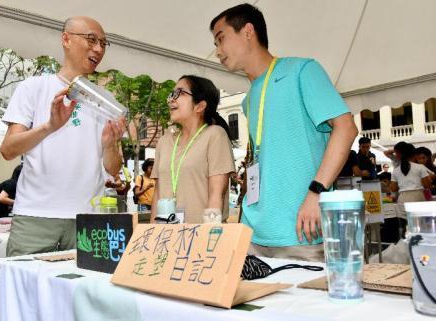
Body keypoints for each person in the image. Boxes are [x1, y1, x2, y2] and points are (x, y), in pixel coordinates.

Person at [210, 4, 358, 261]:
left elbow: (346, 127)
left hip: (300, 232)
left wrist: (316, 192)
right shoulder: (248, 99)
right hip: (253, 232)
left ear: (247, 31)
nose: (217, 51)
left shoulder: (302, 70)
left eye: (221, 39)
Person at [0, 16, 125, 256]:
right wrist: (49, 126)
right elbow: (8, 149)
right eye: (91, 40)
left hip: (89, 218)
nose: (98, 49)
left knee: (83, 291)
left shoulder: (107, 101)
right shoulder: (33, 87)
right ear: (66, 39)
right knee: (25, 289)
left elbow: (113, 168)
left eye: (103, 43)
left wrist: (110, 146)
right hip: (36, 215)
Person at [150, 75, 235, 224]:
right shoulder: (164, 141)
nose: (171, 99)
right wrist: (151, 237)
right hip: (166, 238)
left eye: (180, 93)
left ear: (200, 106)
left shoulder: (215, 135)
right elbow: (157, 195)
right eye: (172, 94)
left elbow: (217, 195)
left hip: (198, 238)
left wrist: (209, 238)